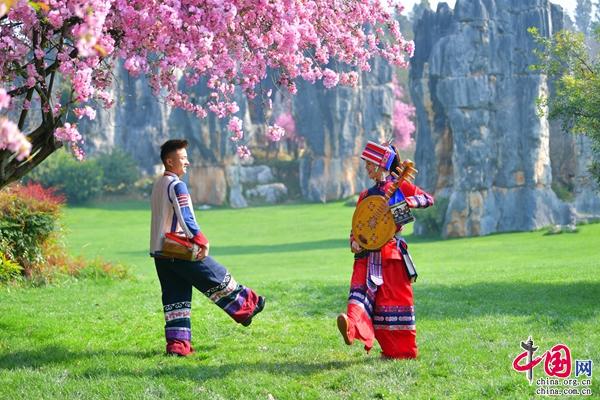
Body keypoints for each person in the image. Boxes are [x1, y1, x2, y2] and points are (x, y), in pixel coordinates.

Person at [150, 139, 265, 356]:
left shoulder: (158, 185)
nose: (187, 162)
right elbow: (185, 216)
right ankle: (249, 305)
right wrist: (201, 240)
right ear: (170, 161)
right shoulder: (177, 185)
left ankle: (177, 346)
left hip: (160, 252)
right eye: (183, 158)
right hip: (178, 249)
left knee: (175, 299)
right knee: (215, 275)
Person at [337, 141, 434, 359]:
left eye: (369, 164)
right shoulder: (366, 195)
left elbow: (428, 199)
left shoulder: (399, 187)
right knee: (358, 296)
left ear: (381, 164)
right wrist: (354, 241)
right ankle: (351, 328)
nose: (366, 168)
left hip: (391, 254)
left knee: (393, 302)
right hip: (366, 254)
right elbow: (358, 225)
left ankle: (401, 351)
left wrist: (405, 202)